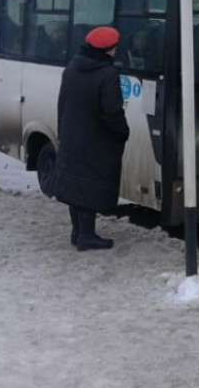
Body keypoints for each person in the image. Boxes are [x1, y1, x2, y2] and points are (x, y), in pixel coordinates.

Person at [53, 26, 130, 251]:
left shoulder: (71, 68)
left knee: (75, 183)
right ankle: (86, 235)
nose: (116, 51)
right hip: (97, 140)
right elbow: (112, 112)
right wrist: (122, 132)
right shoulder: (107, 74)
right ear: (106, 50)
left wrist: (63, 131)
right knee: (90, 185)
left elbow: (62, 104)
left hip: (72, 135)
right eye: (114, 47)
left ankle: (77, 232)